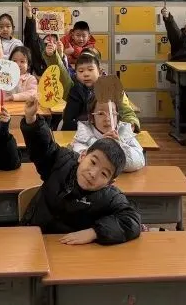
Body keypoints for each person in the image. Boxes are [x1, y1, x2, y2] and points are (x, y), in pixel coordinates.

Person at [20, 97, 142, 244]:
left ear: (110, 182)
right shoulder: (61, 162)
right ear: (83, 155)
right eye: (93, 162)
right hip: (35, 236)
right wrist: (31, 119)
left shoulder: (109, 196)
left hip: (71, 249)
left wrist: (95, 232)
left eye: (104, 174)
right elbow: (43, 147)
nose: (93, 174)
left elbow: (131, 221)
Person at [60, 50, 140, 131]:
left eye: (90, 69)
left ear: (100, 72)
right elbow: (68, 121)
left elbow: (127, 113)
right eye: (81, 71)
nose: (86, 74)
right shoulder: (75, 91)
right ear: (76, 74)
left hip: (110, 131)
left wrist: (131, 124)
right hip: (81, 132)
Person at [70, 98, 145, 172]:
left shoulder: (124, 133)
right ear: (91, 117)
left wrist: (119, 145)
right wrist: (102, 146)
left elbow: (139, 161)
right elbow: (84, 163)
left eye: (113, 113)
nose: (108, 119)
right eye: (101, 113)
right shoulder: (83, 136)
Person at [0, 24, 37, 102]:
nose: (18, 64)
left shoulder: (30, 79)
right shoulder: (5, 73)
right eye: (14, 61)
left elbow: (33, 93)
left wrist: (13, 97)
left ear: (28, 65)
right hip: (0, 108)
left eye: (22, 61)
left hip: (21, 109)